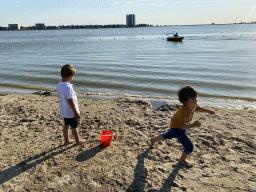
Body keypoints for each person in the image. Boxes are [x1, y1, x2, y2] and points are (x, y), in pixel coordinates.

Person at [150, 86, 215, 167]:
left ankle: (154, 140)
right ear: (185, 101)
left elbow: (198, 108)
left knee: (168, 135)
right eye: (193, 99)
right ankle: (182, 160)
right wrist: (194, 125)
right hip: (177, 127)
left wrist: (209, 111)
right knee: (189, 146)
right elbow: (182, 127)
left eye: (196, 98)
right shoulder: (183, 111)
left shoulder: (193, 105)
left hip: (175, 125)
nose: (195, 100)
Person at [57, 64, 84, 146]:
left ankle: (66, 141)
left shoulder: (59, 84)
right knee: (74, 127)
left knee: (66, 125)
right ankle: (78, 141)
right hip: (71, 112)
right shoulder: (68, 87)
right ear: (70, 76)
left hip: (64, 111)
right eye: (73, 76)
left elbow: (60, 96)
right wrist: (76, 113)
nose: (72, 78)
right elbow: (71, 101)